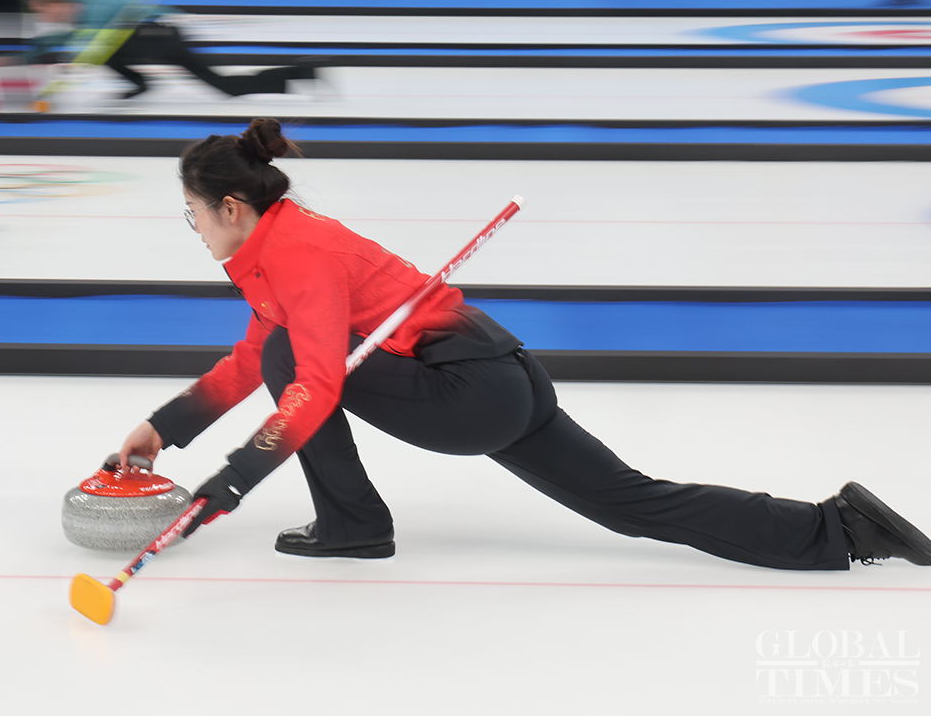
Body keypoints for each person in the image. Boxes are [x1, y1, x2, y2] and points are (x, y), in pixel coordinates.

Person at [116, 117, 931, 570]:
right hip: (506, 376)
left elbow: (311, 380)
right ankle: (838, 529)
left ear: (231, 206)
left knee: (299, 363)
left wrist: (224, 486)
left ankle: (353, 526)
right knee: (630, 503)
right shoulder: (279, 248)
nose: (192, 228)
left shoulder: (297, 254)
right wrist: (168, 426)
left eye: (193, 213)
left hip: (466, 394)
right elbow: (254, 355)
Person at [0, 0, 318, 99]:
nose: (44, 17)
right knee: (225, 87)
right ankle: (300, 73)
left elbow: (144, 8)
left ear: (55, 2)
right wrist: (15, 58)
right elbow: (54, 43)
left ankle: (140, 82)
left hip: (158, 36)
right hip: (161, 40)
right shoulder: (78, 20)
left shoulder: (94, 7)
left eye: (43, 10)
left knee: (96, 47)